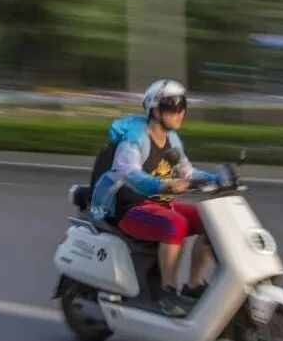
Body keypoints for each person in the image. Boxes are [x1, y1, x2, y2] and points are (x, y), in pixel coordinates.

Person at [88, 79, 220, 317]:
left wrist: (217, 178)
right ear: (155, 110)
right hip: (129, 208)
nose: (180, 112)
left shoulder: (172, 140)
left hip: (157, 204)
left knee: (210, 220)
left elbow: (186, 171)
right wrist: (162, 184)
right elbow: (130, 174)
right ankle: (167, 292)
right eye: (173, 106)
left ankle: (194, 286)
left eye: (183, 106)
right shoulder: (134, 140)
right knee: (175, 223)